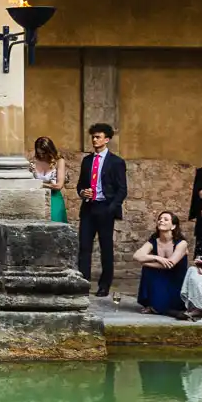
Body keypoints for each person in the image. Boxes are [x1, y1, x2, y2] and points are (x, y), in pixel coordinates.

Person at [76, 123, 127, 297]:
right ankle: (83, 283)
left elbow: (122, 189)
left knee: (106, 248)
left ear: (107, 139)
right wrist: (83, 192)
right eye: (93, 137)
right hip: (89, 207)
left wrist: (111, 209)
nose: (94, 140)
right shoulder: (87, 160)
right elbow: (80, 185)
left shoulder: (116, 162)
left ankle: (104, 285)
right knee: (84, 247)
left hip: (105, 208)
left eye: (98, 137)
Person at [134, 210, 189, 317]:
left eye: (165, 219)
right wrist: (157, 257)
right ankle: (153, 305)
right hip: (160, 278)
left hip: (175, 280)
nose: (161, 221)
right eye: (160, 219)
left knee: (147, 267)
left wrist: (145, 263)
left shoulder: (182, 243)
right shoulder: (154, 241)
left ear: (173, 226)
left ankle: (161, 308)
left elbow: (170, 265)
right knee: (148, 270)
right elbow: (137, 255)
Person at [31, 136, 67, 223]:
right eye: (39, 153)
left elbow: (59, 186)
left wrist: (39, 184)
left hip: (54, 197)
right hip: (37, 198)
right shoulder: (34, 161)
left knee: (56, 222)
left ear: (49, 151)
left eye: (44, 153)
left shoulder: (59, 161)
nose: (41, 156)